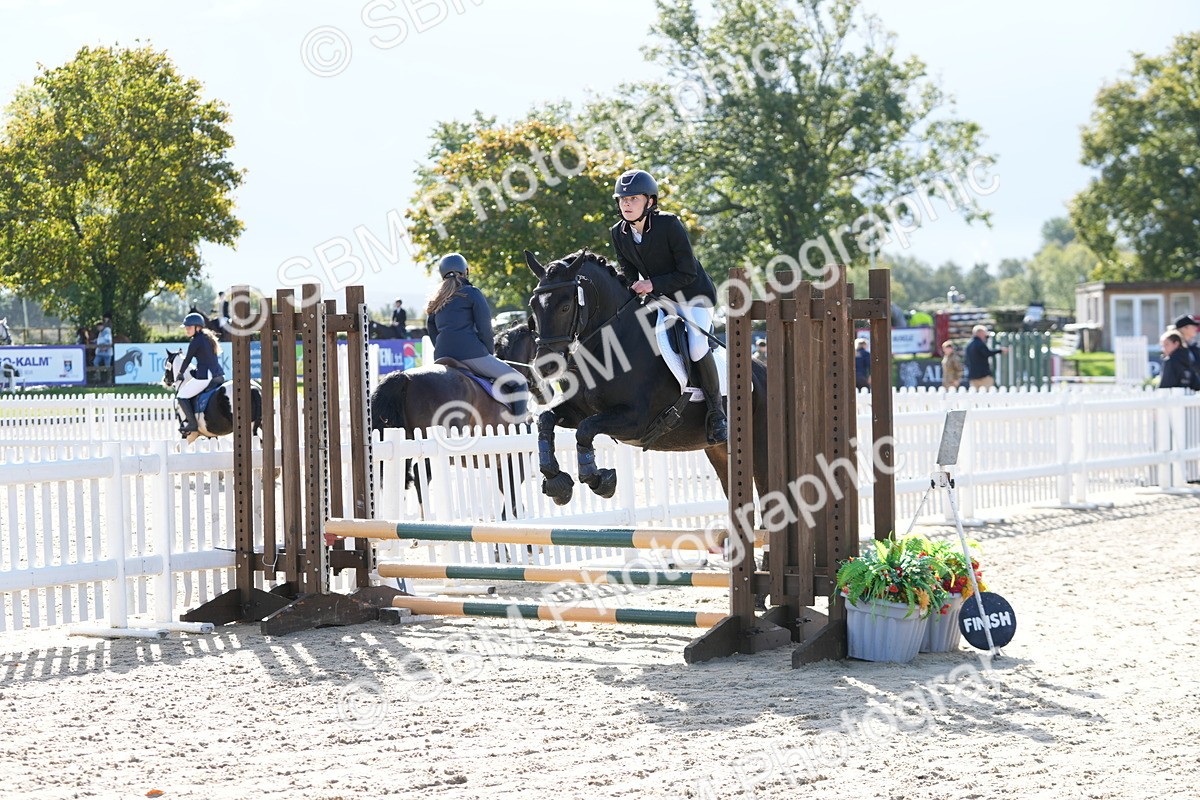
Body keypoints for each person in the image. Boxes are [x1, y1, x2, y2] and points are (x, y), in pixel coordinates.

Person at [609, 168, 727, 444]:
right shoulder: (619, 233)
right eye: (622, 199)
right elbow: (627, 273)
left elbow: (687, 272)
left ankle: (716, 412)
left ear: (650, 201)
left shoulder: (669, 225)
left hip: (693, 297)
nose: (626, 204)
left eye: (633, 198)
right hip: (660, 301)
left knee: (697, 346)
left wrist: (650, 284)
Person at [425, 253, 528, 421]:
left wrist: (442, 348)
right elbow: (485, 329)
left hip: (442, 357)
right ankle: (520, 428)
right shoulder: (472, 293)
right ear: (465, 271)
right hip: (472, 354)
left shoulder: (436, 299)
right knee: (519, 381)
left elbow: (431, 328)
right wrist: (488, 353)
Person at [176, 311, 226, 443]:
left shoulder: (196, 341)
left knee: (181, 396)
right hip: (218, 375)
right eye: (186, 327)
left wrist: (180, 373)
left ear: (198, 327)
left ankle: (192, 424)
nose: (187, 330)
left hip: (205, 377)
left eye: (189, 327)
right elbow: (205, 359)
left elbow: (187, 360)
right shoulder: (207, 338)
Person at [965, 324, 1006, 389]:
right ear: (980, 333)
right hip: (983, 376)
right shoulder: (979, 344)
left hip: (972, 376)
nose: (985, 335)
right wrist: (1000, 350)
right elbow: (987, 353)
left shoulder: (969, 345)